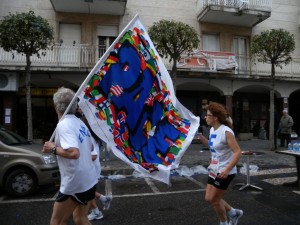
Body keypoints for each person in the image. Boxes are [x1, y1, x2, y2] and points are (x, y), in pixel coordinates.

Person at [42, 87, 98, 225]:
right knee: (80, 219)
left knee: (57, 222)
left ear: (56, 107)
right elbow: (90, 146)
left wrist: (53, 148)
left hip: (75, 183)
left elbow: (74, 152)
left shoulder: (64, 124)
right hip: (89, 179)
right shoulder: (80, 123)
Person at [199, 102, 243, 225]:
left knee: (214, 199)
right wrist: (199, 136)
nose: (205, 117)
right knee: (209, 198)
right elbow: (212, 145)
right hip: (214, 168)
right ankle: (234, 213)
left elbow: (237, 152)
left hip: (225, 170)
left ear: (215, 117)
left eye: (208, 115)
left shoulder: (226, 132)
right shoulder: (213, 129)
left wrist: (227, 170)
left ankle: (224, 222)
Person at [75, 106, 113, 221]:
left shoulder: (89, 137)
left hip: (92, 168)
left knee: (85, 191)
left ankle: (97, 211)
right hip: (90, 167)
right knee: (86, 191)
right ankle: (103, 200)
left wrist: (78, 159)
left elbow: (93, 155)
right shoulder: (88, 135)